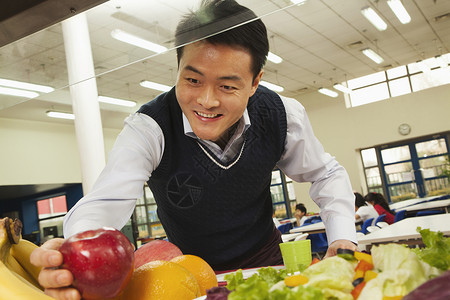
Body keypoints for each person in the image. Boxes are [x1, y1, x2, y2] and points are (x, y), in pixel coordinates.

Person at [30, 1, 357, 299]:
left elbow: (324, 173)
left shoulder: (282, 114)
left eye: (228, 86)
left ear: (255, 82)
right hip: (188, 275)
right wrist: (76, 254)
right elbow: (103, 203)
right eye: (193, 80)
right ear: (178, 69)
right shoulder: (149, 128)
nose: (207, 101)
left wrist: (343, 238)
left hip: (265, 260)